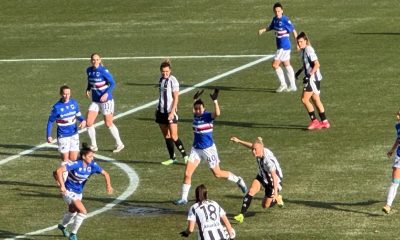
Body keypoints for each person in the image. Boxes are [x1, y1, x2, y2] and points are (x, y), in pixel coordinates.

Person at [174, 90, 247, 205]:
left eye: (199, 109)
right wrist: (194, 99)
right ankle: (184, 198)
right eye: (196, 109)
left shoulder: (207, 116)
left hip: (208, 149)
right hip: (196, 149)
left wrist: (215, 101)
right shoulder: (195, 115)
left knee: (217, 173)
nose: (197, 111)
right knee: (187, 173)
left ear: (204, 108)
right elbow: (194, 108)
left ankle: (238, 180)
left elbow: (217, 113)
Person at [55, 143, 113, 240]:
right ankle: (73, 234)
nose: (92, 158)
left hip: (78, 193)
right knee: (82, 211)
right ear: (83, 156)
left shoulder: (93, 165)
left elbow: (106, 174)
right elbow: (59, 171)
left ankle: (62, 226)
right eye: (90, 156)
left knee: (72, 211)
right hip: (69, 191)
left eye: (92, 156)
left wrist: (108, 186)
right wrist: (62, 186)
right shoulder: (76, 164)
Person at [230, 136, 283, 223]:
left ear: (261, 149)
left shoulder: (267, 161)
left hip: (272, 182)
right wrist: (239, 141)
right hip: (262, 175)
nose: (253, 152)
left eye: (255, 150)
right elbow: (251, 145)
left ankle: (278, 199)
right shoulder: (260, 151)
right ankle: (241, 214)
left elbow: (274, 176)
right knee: (251, 191)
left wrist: (276, 193)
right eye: (252, 150)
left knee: (265, 206)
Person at [85, 53, 124, 153]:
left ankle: (119, 143)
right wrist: (88, 89)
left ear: (100, 60)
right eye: (93, 59)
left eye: (97, 59)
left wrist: (106, 93)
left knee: (108, 123)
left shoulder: (103, 71)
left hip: (106, 101)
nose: (95, 61)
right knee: (89, 122)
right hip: (96, 101)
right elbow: (90, 81)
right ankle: (94, 145)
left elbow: (113, 83)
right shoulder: (89, 70)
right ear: (91, 60)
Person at [258, 2, 298, 93]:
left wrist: (298, 43)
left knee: (275, 65)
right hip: (281, 47)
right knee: (286, 64)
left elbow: (293, 30)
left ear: (282, 11)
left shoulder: (285, 19)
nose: (277, 13)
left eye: (279, 11)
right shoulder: (275, 19)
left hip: (284, 47)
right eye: (276, 11)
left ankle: (283, 84)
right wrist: (263, 30)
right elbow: (271, 27)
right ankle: (293, 86)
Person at [155, 59, 189, 165]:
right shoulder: (160, 80)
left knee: (174, 135)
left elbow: (176, 98)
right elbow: (161, 96)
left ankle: (185, 156)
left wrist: (172, 112)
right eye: (163, 71)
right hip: (160, 112)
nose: (165, 73)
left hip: (170, 112)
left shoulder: (173, 80)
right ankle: (172, 157)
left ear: (170, 71)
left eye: (167, 71)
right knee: (167, 136)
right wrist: (156, 109)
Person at [296, 32, 330, 130]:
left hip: (312, 79)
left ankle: (314, 121)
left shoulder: (308, 49)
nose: (299, 44)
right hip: (315, 78)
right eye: (298, 42)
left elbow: (317, 64)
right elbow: (308, 63)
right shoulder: (304, 50)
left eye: (301, 42)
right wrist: (299, 71)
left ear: (306, 41)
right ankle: (325, 121)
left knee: (304, 99)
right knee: (315, 99)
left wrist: (309, 76)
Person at [47, 85, 86, 162]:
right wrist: (48, 136)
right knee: (65, 160)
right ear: (61, 94)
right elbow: (50, 121)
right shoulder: (57, 107)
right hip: (63, 135)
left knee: (74, 159)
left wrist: (83, 120)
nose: (67, 96)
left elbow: (78, 115)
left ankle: (71, 174)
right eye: (65, 94)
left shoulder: (74, 103)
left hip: (74, 134)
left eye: (68, 93)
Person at [383, 111, 400, 214]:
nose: (397, 116)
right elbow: (398, 139)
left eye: (399, 114)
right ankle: (388, 205)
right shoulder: (398, 126)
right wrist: (392, 150)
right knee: (395, 182)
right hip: (399, 156)